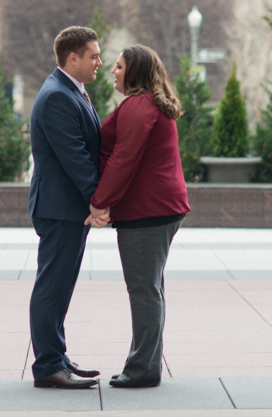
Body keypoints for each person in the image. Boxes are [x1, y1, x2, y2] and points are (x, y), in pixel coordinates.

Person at [86, 45, 191, 388]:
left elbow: (123, 158)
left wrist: (100, 202)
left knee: (144, 291)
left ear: (135, 72)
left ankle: (144, 369)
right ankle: (144, 363)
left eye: (118, 66)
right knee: (151, 289)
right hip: (159, 208)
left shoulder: (138, 106)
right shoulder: (148, 104)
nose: (112, 71)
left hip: (149, 210)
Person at [28, 26, 104, 389]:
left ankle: (56, 358)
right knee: (52, 287)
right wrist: (99, 200)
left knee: (61, 286)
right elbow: (75, 158)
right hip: (60, 208)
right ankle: (47, 365)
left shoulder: (71, 91)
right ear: (72, 58)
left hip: (67, 208)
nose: (99, 62)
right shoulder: (58, 96)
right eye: (94, 55)